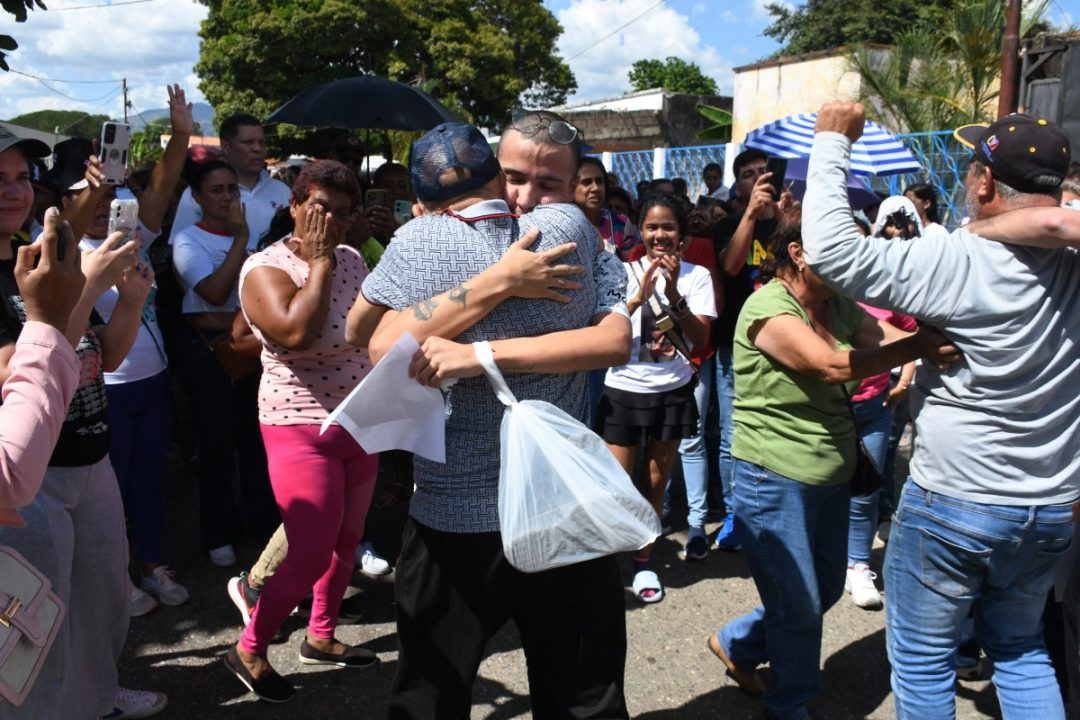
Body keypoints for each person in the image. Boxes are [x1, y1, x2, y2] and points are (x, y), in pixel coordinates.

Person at [803, 103, 1079, 720]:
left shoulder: (952, 259)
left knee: (925, 664)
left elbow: (829, 251)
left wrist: (831, 143)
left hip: (955, 502)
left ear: (984, 183)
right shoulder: (1071, 268)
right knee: (1021, 648)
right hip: (1049, 506)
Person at [352, 118, 633, 719]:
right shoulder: (572, 231)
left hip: (470, 511)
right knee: (582, 694)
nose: (526, 196)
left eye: (547, 183)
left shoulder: (422, 240)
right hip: (549, 502)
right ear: (490, 171)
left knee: (431, 693)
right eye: (513, 178)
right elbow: (379, 347)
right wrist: (500, 279)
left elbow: (374, 342)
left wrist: (476, 355)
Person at [707, 208, 956, 720]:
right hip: (772, 477)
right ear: (797, 253)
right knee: (798, 603)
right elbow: (829, 365)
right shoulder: (766, 309)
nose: (852, 263)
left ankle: (739, 642)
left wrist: (927, 345)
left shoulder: (836, 302)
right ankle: (789, 702)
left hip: (832, 474)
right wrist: (917, 347)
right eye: (839, 251)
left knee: (818, 590)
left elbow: (879, 338)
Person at [0, 128, 167, 720]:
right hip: (30, 476)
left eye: (21, 178)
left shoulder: (37, 255)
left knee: (101, 598)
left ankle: (97, 694)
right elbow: (16, 370)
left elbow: (98, 357)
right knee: (40, 616)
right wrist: (90, 282)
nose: (14, 191)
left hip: (91, 454)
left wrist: (128, 301)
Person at [221, 160, 379, 703]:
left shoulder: (354, 259)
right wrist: (317, 264)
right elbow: (294, 331)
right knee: (308, 551)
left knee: (346, 540)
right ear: (293, 206)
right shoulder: (264, 268)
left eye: (341, 211)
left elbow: (369, 330)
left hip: (358, 418)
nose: (329, 221)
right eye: (318, 207)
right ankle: (249, 647)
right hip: (298, 425)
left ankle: (321, 634)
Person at [59, 85, 193, 612]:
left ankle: (153, 566)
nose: (100, 206)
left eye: (107, 195)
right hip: (103, 389)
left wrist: (181, 136)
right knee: (106, 495)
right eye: (85, 195)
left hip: (152, 383)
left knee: (148, 481)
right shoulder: (62, 251)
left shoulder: (133, 233)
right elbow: (64, 238)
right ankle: (117, 577)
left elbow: (160, 185)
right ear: (67, 200)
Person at [596, 193, 715, 600]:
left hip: (672, 391)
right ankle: (607, 558)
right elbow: (602, 328)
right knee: (616, 481)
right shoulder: (623, 271)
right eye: (652, 227)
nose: (660, 235)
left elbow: (699, 340)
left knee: (655, 479)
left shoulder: (698, 276)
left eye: (669, 227)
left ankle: (644, 561)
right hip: (624, 389)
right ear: (640, 230)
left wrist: (676, 292)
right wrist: (636, 299)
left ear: (681, 233)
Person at [172, 159, 279, 567]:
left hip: (248, 348)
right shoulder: (187, 240)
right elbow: (215, 293)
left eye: (231, 189)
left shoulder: (251, 238)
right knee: (217, 445)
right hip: (208, 353)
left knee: (256, 443)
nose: (226, 197)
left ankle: (261, 521)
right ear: (197, 198)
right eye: (216, 190)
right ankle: (218, 532)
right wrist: (239, 241)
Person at [710, 148, 779, 552]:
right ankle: (738, 514)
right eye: (750, 174)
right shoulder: (730, 225)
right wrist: (751, 215)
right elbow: (732, 266)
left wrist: (788, 217)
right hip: (738, 348)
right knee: (732, 437)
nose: (758, 179)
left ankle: (769, 511)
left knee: (776, 432)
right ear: (739, 184)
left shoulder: (790, 223)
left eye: (764, 172)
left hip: (785, 348)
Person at [168, 113, 290, 246]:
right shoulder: (199, 193)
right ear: (225, 146)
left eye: (261, 143)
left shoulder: (282, 191)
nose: (257, 148)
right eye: (248, 142)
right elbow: (181, 246)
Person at [574, 156, 640, 259]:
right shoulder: (562, 225)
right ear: (571, 187)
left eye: (599, 181)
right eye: (587, 182)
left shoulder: (620, 223)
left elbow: (633, 266)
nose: (596, 188)